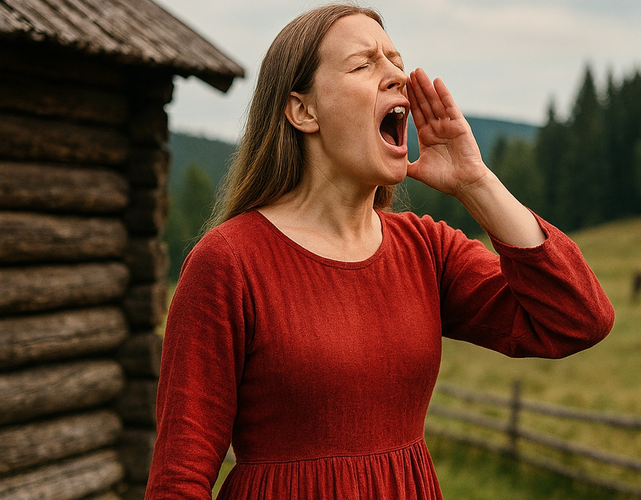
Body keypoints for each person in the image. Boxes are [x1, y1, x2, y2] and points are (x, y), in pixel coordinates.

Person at [146, 4, 614, 499]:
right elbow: (179, 481)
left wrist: (476, 182)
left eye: (396, 60)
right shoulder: (228, 263)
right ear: (303, 111)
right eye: (364, 64)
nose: (398, 77)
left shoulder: (426, 251)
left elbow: (578, 318)